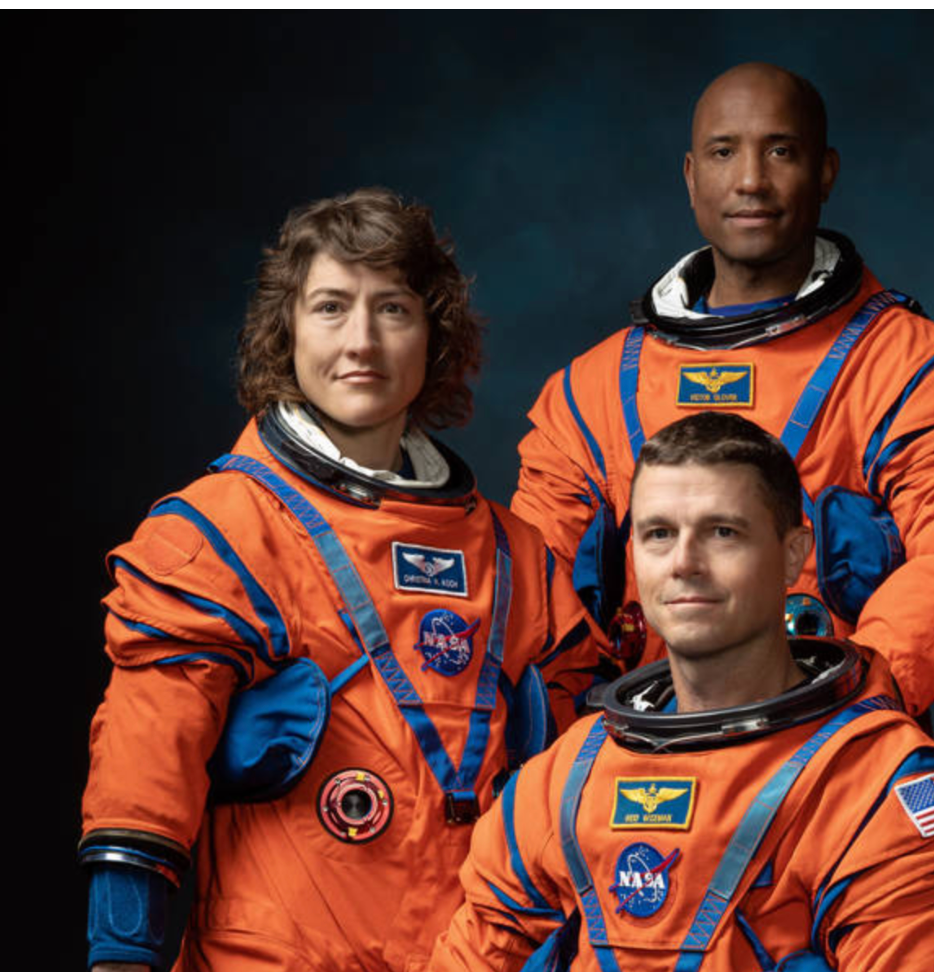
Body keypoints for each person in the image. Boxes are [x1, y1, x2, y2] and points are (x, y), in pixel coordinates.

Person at [79, 188, 605, 971]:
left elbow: (575, 795)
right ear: (284, 331)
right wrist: (122, 955)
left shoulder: (515, 559)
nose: (361, 341)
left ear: (435, 335)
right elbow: (143, 764)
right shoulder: (220, 534)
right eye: (330, 307)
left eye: (392, 309)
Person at [511, 62, 934, 714]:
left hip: (828, 753)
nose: (751, 180)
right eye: (725, 153)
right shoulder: (591, 392)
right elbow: (534, 589)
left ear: (826, 172)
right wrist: (582, 745)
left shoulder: (912, 373)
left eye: (780, 151)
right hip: (632, 756)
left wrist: (841, 716)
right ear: (692, 177)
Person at [434, 412, 934, 971]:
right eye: (659, 534)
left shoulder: (879, 788)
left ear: (794, 555)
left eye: (722, 532)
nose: (685, 563)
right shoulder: (561, 782)